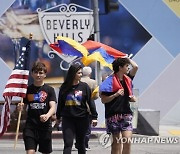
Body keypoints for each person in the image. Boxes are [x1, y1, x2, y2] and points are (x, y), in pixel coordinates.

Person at [56, 63, 98, 154]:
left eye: (81, 73)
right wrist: (58, 117)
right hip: (68, 118)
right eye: (78, 73)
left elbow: (90, 102)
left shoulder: (84, 86)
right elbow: (60, 103)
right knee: (68, 143)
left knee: (80, 144)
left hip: (82, 118)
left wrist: (94, 117)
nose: (81, 75)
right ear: (73, 73)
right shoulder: (64, 87)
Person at [100, 58, 138, 154]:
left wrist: (127, 59)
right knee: (116, 143)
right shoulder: (108, 82)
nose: (128, 67)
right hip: (113, 115)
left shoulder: (127, 79)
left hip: (126, 114)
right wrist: (115, 95)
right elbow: (104, 100)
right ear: (120, 68)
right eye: (126, 66)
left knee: (127, 141)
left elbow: (136, 67)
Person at [17, 61, 57, 154]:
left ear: (45, 75)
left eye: (41, 73)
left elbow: (53, 107)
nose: (38, 75)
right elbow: (23, 108)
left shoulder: (49, 90)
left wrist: (47, 115)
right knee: (30, 152)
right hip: (30, 126)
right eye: (36, 72)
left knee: (45, 152)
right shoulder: (27, 90)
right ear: (32, 74)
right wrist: (20, 108)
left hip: (45, 127)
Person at [78, 66, 98, 151]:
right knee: (87, 127)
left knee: (78, 126)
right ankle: (85, 144)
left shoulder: (79, 81)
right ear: (90, 73)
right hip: (89, 106)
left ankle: (78, 143)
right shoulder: (93, 82)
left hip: (78, 105)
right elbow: (96, 95)